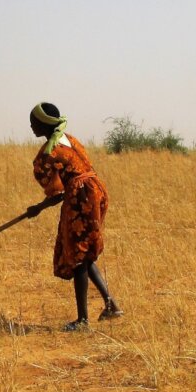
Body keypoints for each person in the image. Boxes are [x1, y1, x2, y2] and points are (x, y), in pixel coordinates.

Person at [25, 102, 123, 331]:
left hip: (81, 197)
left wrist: (38, 208)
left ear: (43, 124)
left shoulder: (48, 153)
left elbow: (57, 192)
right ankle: (112, 305)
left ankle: (82, 321)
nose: (31, 126)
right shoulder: (69, 139)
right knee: (85, 252)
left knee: (79, 254)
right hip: (96, 191)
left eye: (33, 122)